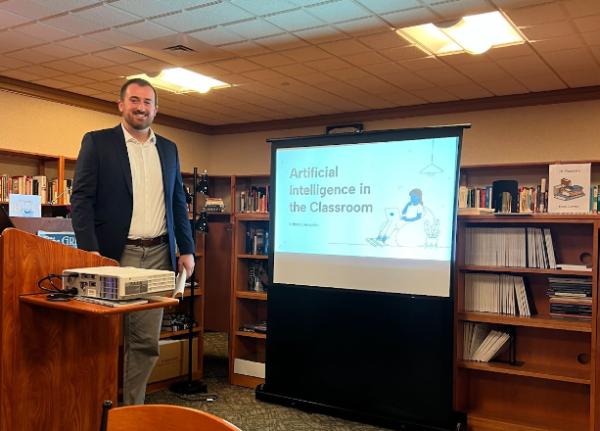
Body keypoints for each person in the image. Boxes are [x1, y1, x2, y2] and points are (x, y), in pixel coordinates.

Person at [70, 78, 195, 405]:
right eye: (135, 100)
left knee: (144, 342)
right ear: (121, 105)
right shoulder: (98, 143)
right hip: (112, 257)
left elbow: (178, 202)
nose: (141, 107)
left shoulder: (168, 149)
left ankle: (131, 412)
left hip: (157, 256)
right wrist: (89, 250)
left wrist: (188, 249)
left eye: (148, 102)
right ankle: (91, 408)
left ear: (156, 108)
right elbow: (80, 198)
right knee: (100, 337)